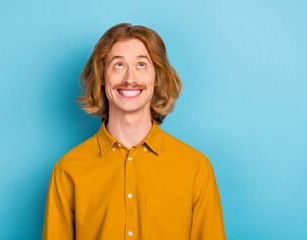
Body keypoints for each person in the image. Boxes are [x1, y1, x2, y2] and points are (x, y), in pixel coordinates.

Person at [42, 23, 226, 240]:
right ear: (102, 77)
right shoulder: (67, 171)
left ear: (157, 77)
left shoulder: (196, 169)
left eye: (141, 65)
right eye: (118, 65)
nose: (130, 78)